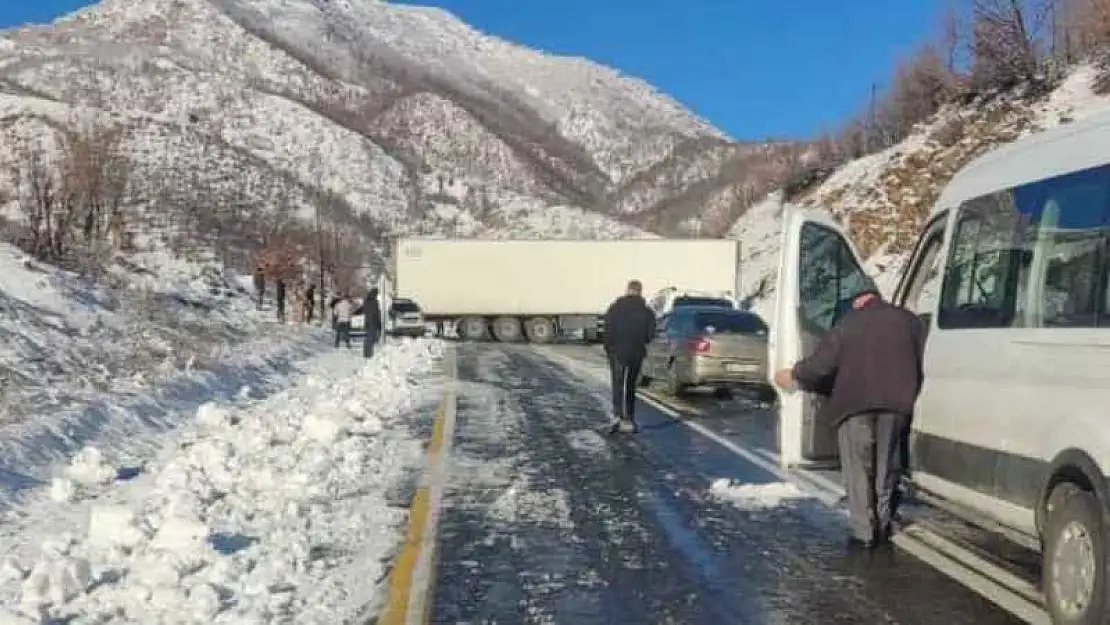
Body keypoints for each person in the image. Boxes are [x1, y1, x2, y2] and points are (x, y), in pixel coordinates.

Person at [773, 285, 925, 549]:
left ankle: (863, 532)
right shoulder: (908, 321)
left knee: (858, 470)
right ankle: (883, 523)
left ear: (858, 301)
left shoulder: (847, 324)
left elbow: (820, 366)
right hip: (896, 405)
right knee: (885, 469)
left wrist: (794, 374)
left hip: (854, 406)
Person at [602, 279, 656, 435]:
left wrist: (609, 349)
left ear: (627, 290)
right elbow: (650, 335)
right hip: (636, 352)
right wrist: (641, 341)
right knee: (630, 386)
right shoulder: (647, 311)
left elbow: (607, 330)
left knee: (617, 384)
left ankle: (617, 416)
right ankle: (630, 419)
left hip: (617, 352)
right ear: (640, 291)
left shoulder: (615, 308)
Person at [360, 288, 382, 358]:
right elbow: (375, 313)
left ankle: (367, 353)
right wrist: (379, 323)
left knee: (369, 338)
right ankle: (368, 354)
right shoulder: (373, 302)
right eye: (376, 293)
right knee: (371, 338)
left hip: (368, 322)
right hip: (373, 322)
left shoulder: (367, 300)